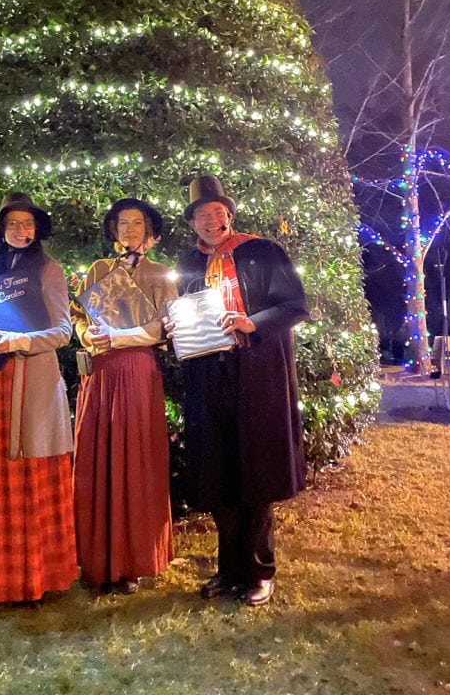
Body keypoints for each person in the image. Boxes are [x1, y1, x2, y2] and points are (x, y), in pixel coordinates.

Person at [171, 174, 308, 607]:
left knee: (256, 474)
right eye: (202, 215)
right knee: (218, 472)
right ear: (193, 223)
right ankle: (228, 570)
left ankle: (260, 571)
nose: (212, 221)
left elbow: (295, 306)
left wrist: (254, 322)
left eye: (218, 213)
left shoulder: (263, 251)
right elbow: (185, 314)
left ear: (229, 215)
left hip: (257, 375)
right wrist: (175, 328)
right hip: (209, 378)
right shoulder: (189, 264)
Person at [0, 192, 77, 606]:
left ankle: (35, 579)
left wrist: (19, 341)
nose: (21, 231)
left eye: (27, 225)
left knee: (31, 472)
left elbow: (64, 331)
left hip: (33, 385)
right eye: (13, 224)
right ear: (1, 228)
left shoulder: (49, 271)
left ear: (36, 230)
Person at [70, 198, 176, 593]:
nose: (130, 230)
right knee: (97, 457)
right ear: (113, 229)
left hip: (136, 370)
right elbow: (78, 316)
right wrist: (87, 335)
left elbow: (165, 330)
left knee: (133, 458)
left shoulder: (163, 275)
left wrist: (116, 336)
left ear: (149, 230)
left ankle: (131, 561)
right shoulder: (99, 270)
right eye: (123, 223)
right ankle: (95, 559)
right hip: (99, 372)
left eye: (138, 223)